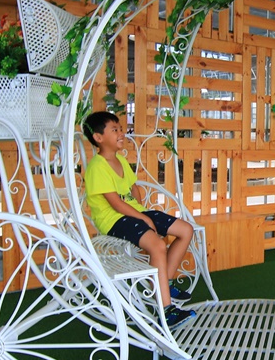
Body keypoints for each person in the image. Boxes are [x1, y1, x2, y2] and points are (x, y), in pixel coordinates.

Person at [83, 111, 197, 329]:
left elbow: (133, 189)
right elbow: (116, 204)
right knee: (157, 245)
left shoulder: (121, 161)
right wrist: (144, 220)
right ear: (98, 138)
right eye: (114, 130)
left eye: (120, 129)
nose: (121, 133)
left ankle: (166, 281)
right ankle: (166, 312)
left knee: (185, 230)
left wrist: (143, 213)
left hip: (134, 212)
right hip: (113, 220)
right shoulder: (97, 166)